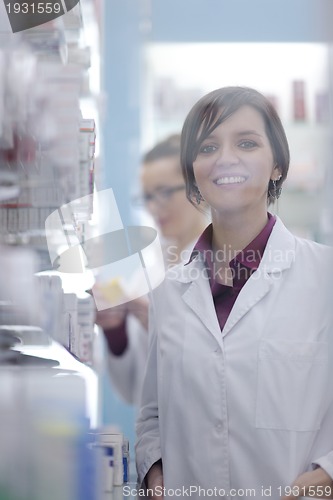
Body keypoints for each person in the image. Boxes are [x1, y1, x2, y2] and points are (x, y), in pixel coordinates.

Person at [135, 86, 333, 499]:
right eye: (208, 147)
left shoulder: (324, 276)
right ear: (192, 171)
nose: (226, 158)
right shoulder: (170, 291)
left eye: (246, 143)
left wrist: (328, 476)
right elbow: (152, 414)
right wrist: (155, 473)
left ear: (277, 164)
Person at [96, 134, 208, 405]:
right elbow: (132, 389)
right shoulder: (151, 267)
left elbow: (219, 376)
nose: (154, 206)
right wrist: (116, 331)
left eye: (165, 192)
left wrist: (157, 324)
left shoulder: (224, 267)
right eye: (147, 196)